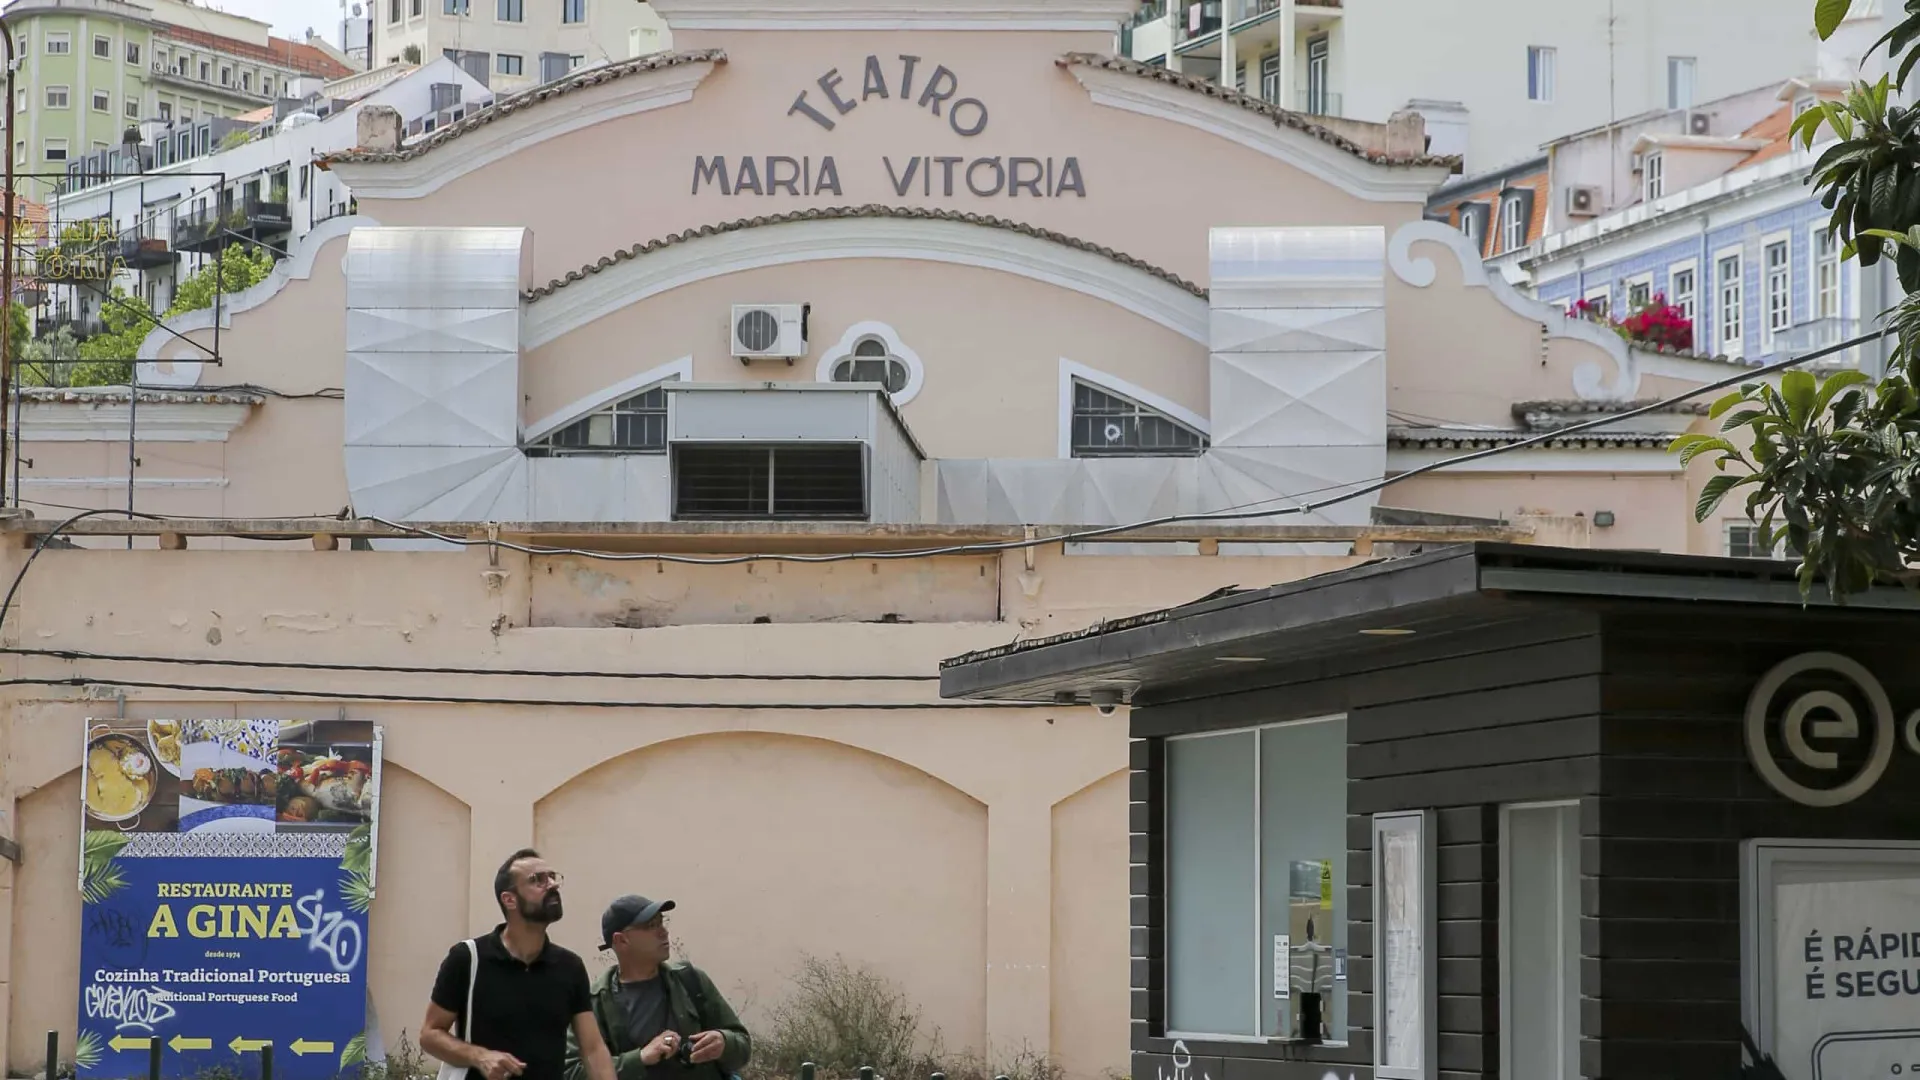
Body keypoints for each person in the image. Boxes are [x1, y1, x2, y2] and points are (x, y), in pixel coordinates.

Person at [421, 849, 620, 1080]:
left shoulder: (569, 966)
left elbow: (593, 1049)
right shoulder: (467, 958)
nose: (552, 884)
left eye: (552, 877)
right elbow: (430, 1034)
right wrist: (480, 1056)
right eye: (538, 880)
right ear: (509, 899)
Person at [563, 894, 751, 1080]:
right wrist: (640, 1058)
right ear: (621, 941)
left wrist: (724, 1043)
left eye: (662, 922)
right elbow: (572, 1072)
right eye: (651, 926)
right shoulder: (595, 1003)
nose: (663, 931)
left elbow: (743, 1046)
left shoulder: (690, 980)